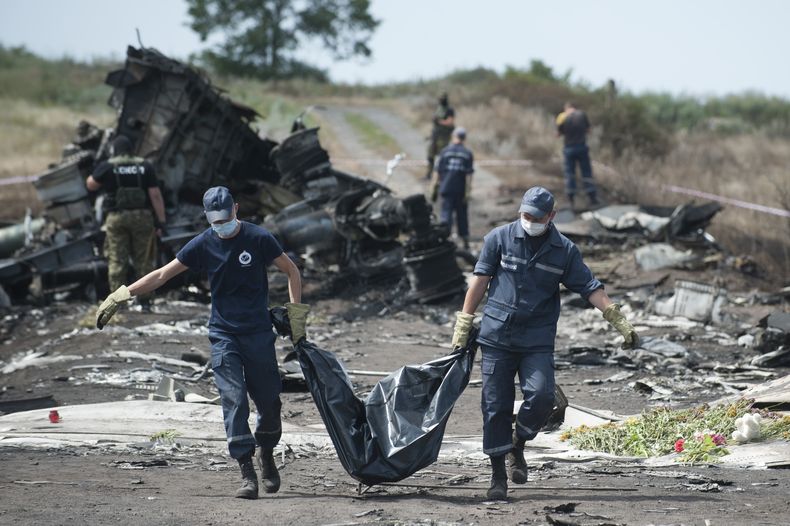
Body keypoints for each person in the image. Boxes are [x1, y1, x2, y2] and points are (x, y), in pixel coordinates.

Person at [94, 186, 309, 500]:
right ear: (208, 217)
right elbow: (162, 275)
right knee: (233, 399)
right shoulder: (204, 244)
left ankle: (266, 452)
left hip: (259, 334)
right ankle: (247, 471)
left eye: (226, 218)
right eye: (215, 220)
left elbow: (291, 270)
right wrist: (122, 294)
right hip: (224, 335)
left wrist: (296, 315)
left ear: (235, 209)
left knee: (270, 403)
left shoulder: (258, 238)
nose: (221, 225)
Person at [450, 186, 639, 500]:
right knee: (494, 406)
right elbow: (480, 281)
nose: (530, 220)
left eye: (537, 217)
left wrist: (616, 317)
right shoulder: (499, 238)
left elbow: (589, 287)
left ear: (551, 216)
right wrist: (463, 323)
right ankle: (498, 475)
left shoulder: (563, 250)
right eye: (525, 215)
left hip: (536, 339)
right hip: (497, 336)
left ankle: (518, 444)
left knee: (540, 397)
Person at [86, 135, 166, 309]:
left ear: (114, 150)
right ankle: (145, 302)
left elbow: (91, 185)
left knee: (117, 260)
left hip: (117, 218)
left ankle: (118, 303)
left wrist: (98, 170)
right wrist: (161, 221)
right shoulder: (145, 166)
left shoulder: (108, 166)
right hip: (142, 218)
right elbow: (155, 195)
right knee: (144, 260)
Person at [430, 127, 474, 249]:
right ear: (464, 138)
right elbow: (468, 175)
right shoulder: (467, 153)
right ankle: (465, 242)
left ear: (453, 137)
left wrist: (433, 188)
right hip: (460, 190)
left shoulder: (444, 152)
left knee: (446, 215)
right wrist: (468, 192)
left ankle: (445, 241)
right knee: (462, 216)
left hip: (446, 188)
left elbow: (437, 172)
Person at [556, 102, 599, 208]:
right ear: (574, 108)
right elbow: (589, 130)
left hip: (569, 149)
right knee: (586, 172)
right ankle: (592, 198)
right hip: (581, 147)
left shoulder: (563, 117)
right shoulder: (582, 115)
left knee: (569, 174)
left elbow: (558, 134)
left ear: (566, 108)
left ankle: (571, 200)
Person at [425, 92, 455, 180]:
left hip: (444, 137)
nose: (441, 100)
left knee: (443, 156)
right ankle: (429, 174)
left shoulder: (449, 110)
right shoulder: (439, 108)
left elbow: (450, 122)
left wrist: (439, 121)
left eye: (442, 98)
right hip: (435, 135)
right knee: (430, 155)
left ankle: (442, 175)